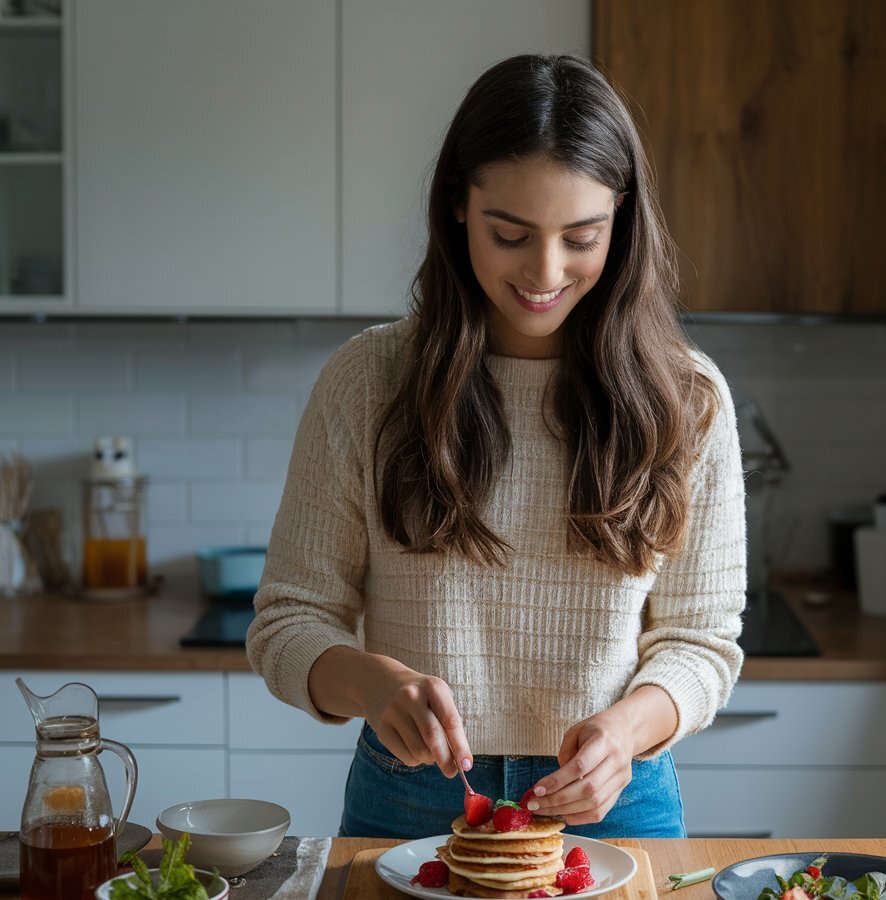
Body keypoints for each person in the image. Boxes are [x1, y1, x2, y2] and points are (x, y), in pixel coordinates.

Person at [246, 53, 746, 840]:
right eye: (510, 233)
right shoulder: (367, 382)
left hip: (617, 801)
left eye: (582, 237)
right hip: (410, 797)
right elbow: (287, 620)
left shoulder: (688, 399)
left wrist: (624, 732)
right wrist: (376, 686)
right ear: (456, 206)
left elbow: (702, 643)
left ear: (622, 222)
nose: (545, 271)